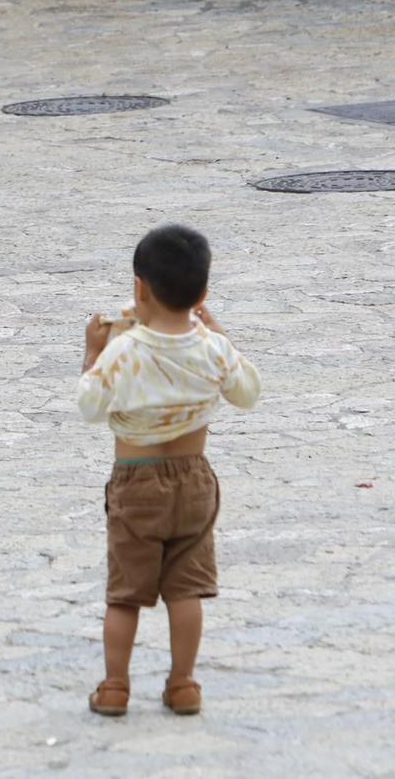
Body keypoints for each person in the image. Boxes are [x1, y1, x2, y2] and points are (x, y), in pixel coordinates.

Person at [78, 223, 261, 719]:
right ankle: (183, 685)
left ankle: (115, 686)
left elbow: (90, 406)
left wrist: (93, 352)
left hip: (136, 480)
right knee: (186, 590)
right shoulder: (213, 349)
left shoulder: (125, 349)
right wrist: (220, 333)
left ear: (138, 288)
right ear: (202, 293)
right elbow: (247, 393)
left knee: (125, 595)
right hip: (195, 480)